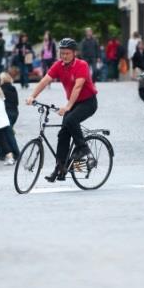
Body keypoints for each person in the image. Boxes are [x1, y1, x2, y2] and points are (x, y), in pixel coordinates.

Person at [27, 38, 98, 182]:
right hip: (74, 103)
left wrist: (68, 107)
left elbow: (78, 87)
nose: (64, 56)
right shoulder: (58, 65)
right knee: (63, 134)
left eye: (67, 53)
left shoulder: (82, 65)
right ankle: (60, 168)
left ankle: (83, 149)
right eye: (62, 53)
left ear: (74, 53)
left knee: (71, 119)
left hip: (88, 103)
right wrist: (32, 96)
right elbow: (45, 80)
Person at [0, 71, 21, 158]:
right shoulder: (13, 88)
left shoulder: (0, 89)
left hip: (7, 113)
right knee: (6, 132)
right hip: (15, 113)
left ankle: (16, 153)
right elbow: (17, 102)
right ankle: (3, 152)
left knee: (9, 134)